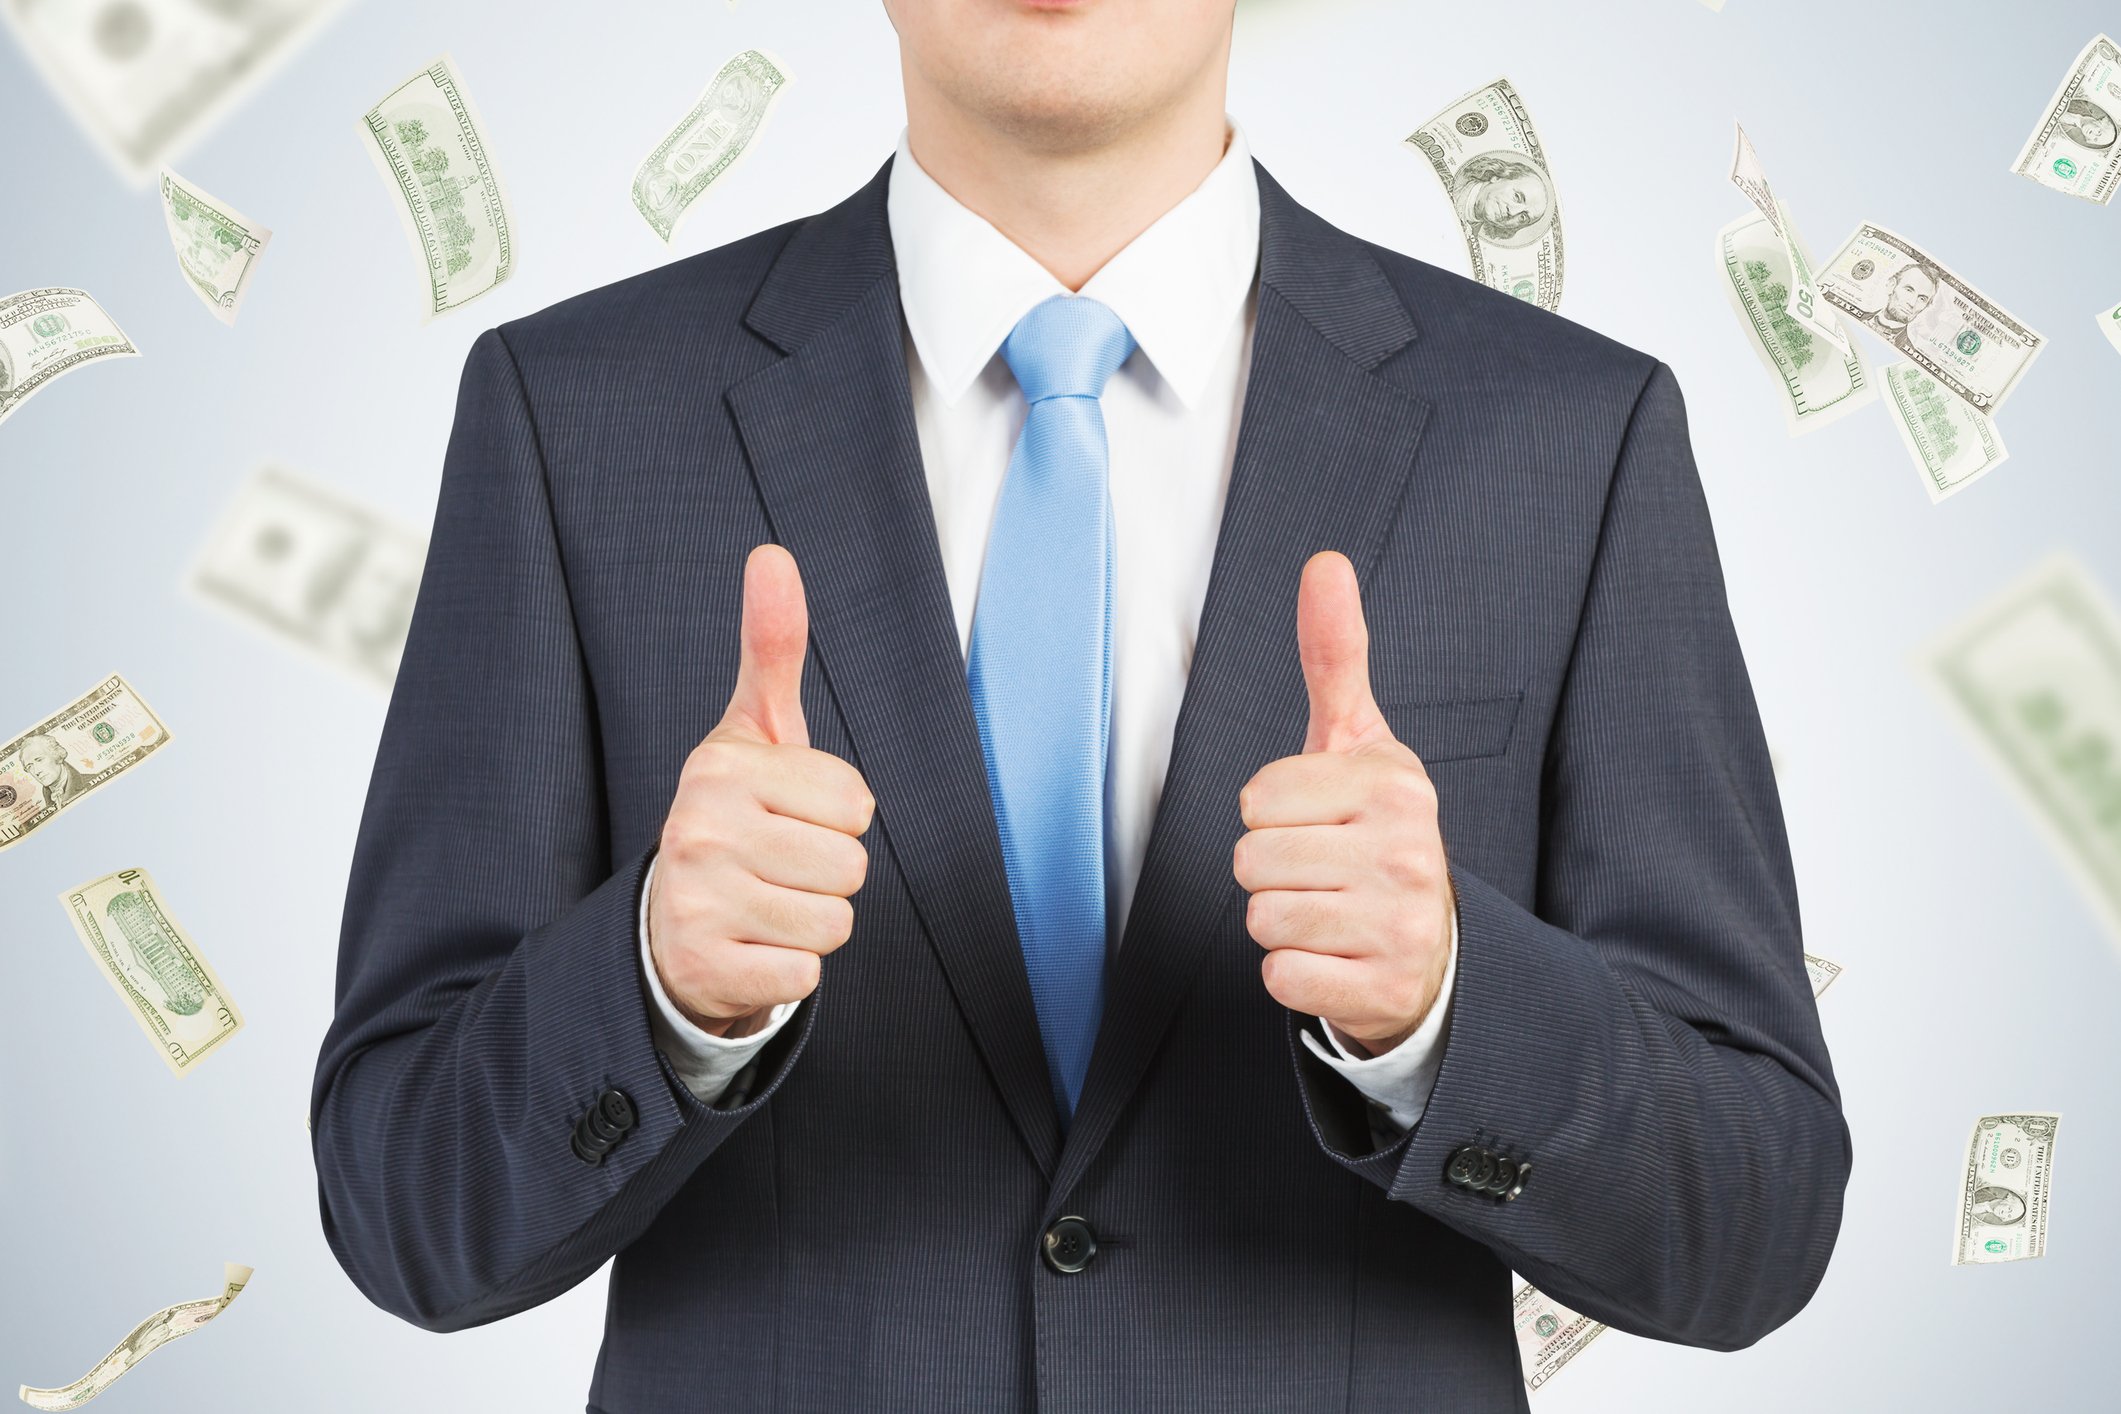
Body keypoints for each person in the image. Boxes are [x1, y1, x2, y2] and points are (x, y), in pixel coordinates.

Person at [310, 1, 1852, 1408]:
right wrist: (655, 989)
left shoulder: (1572, 437)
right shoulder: (572, 413)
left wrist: (1448, 1007)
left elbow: (1757, 1211)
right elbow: (403, 1201)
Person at [17, 733, 89, 811]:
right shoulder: (45, 801)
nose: (37, 771)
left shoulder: (90, 782)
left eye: (39, 760)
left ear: (56, 755)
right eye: (29, 766)